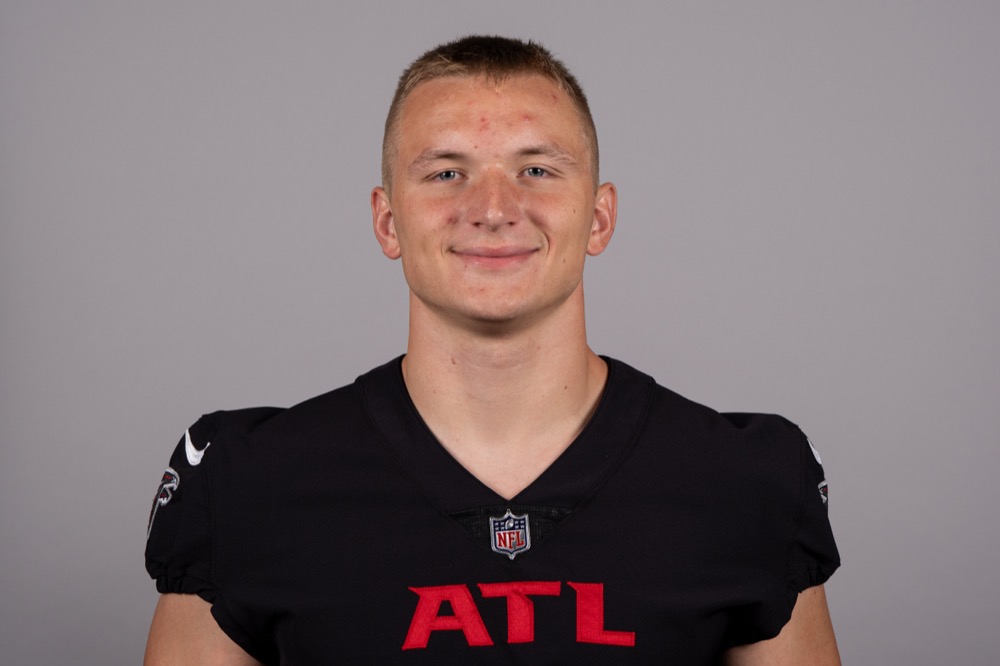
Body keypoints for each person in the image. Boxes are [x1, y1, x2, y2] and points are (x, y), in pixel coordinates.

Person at [144, 35, 841, 664]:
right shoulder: (248, 483)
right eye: (447, 173)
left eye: (536, 170)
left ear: (599, 217)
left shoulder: (742, 483)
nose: (493, 209)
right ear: (388, 222)